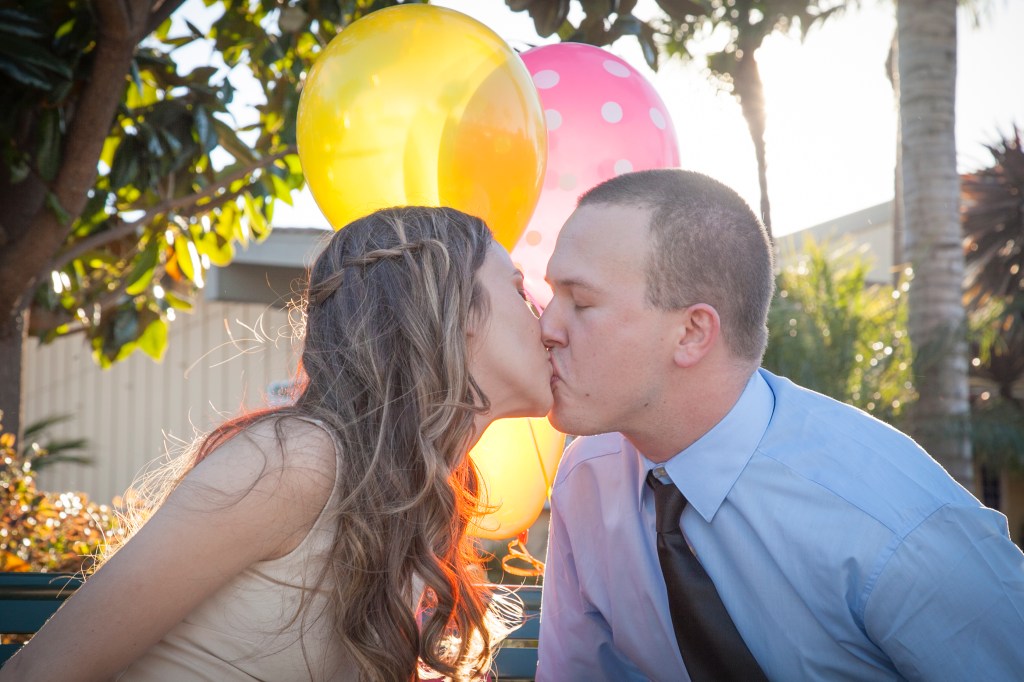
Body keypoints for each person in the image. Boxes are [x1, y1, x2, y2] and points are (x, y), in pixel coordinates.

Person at [0, 206, 553, 682]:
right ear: (449, 312)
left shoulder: (412, 493)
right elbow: (38, 672)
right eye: (519, 288)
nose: (547, 316)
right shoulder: (300, 461)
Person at [535, 168, 1024, 681]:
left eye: (581, 302)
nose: (546, 327)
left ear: (692, 333)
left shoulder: (894, 524)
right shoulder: (585, 476)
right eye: (551, 297)